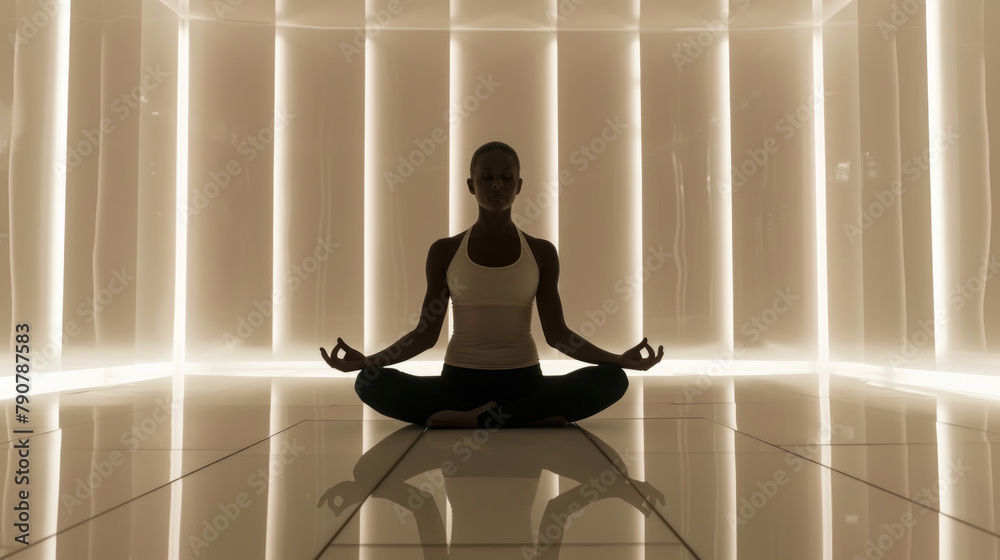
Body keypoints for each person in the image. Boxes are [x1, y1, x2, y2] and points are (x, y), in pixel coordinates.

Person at [320, 141, 663, 428]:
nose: (497, 184)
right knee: (369, 382)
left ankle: (468, 420)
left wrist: (618, 359)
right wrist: (368, 363)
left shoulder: (542, 252)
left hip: (525, 383)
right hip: (458, 384)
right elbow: (425, 335)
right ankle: (522, 419)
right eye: (486, 177)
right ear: (471, 185)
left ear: (519, 185)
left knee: (612, 379)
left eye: (505, 177)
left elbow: (558, 335)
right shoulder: (445, 251)